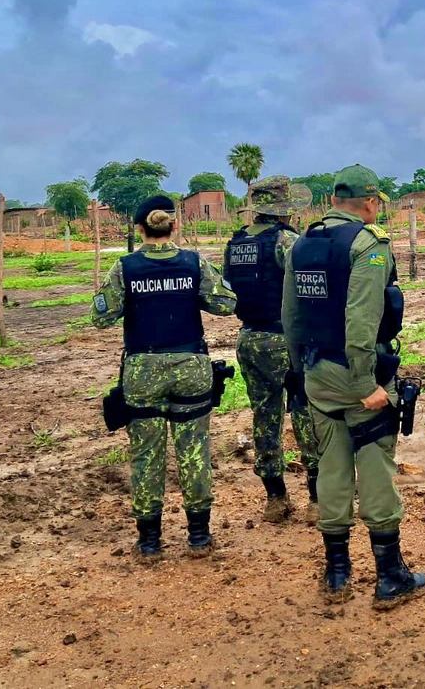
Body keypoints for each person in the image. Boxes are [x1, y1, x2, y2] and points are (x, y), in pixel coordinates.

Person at [282, 164, 425, 609]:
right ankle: (389, 576)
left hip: (317, 373)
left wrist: (299, 371)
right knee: (375, 466)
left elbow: (290, 317)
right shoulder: (369, 244)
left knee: (331, 466)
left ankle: (336, 572)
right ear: (369, 203)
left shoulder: (302, 244)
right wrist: (367, 385)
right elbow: (361, 322)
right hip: (357, 375)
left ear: (331, 201)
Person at [91, 194, 236, 561]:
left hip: (142, 371)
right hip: (190, 367)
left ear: (139, 228)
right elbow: (226, 304)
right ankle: (199, 537)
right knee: (194, 451)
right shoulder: (193, 263)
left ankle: (150, 541)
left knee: (145, 455)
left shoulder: (125, 268)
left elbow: (101, 317)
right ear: (175, 225)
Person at [222, 175, 321, 524]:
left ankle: (275, 498)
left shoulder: (236, 244)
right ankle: (316, 498)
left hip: (249, 338)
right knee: (305, 412)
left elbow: (230, 289)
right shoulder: (287, 242)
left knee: (265, 416)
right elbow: (308, 287)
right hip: (285, 340)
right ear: (286, 211)